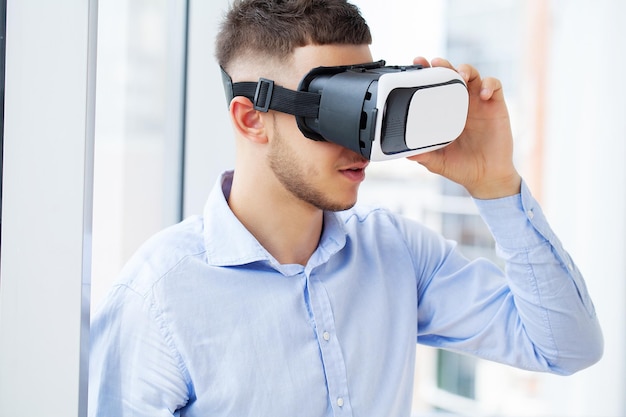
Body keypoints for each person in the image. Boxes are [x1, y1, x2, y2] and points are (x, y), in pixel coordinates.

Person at [88, 0, 603, 416]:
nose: (361, 144)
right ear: (250, 120)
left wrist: (495, 184)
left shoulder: (397, 253)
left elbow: (564, 346)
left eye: (369, 105)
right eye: (337, 110)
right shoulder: (157, 301)